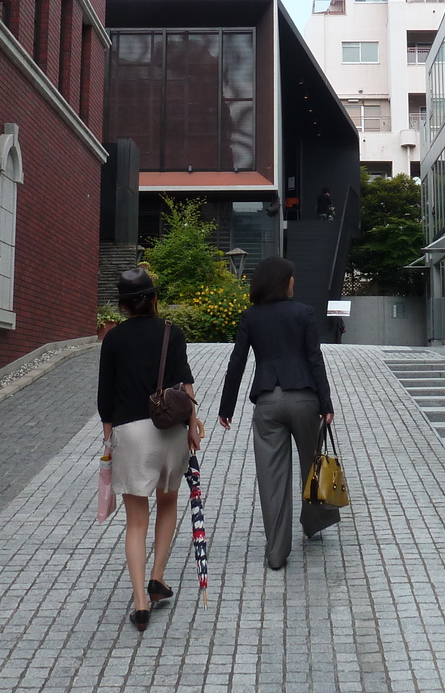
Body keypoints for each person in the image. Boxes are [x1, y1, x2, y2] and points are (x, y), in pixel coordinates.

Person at [98, 268, 200, 632]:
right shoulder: (172, 333)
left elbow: (105, 396)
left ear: (123, 304)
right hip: (169, 430)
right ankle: (158, 578)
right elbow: (184, 382)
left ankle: (140, 601)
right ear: (154, 298)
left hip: (130, 433)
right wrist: (192, 425)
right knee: (168, 503)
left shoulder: (112, 339)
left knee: (136, 521)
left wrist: (108, 439)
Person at [217, 255, 336, 570]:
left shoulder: (250, 317)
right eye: (291, 277)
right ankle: (313, 524)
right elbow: (315, 359)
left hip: (268, 402)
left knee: (272, 479)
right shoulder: (303, 313)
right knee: (313, 464)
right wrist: (326, 403)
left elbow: (237, 363)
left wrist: (225, 407)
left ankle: (276, 552)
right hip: (305, 401)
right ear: (283, 282)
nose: (294, 282)